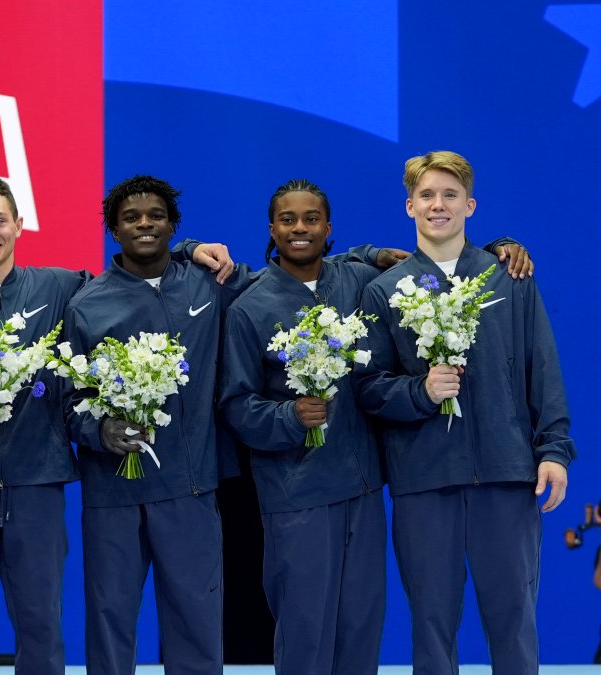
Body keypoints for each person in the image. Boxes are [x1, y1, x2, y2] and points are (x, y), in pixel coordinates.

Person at [0, 175, 231, 675]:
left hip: (38, 487)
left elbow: (137, 264)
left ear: (19, 225)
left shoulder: (62, 289)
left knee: (42, 629)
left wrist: (186, 248)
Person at [355, 150, 574, 674]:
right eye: (426, 196)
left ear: (470, 205)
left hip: (506, 474)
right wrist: (419, 393)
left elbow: (541, 366)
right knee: (431, 625)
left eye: (449, 195)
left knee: (514, 619)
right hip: (424, 480)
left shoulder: (508, 276)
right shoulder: (385, 290)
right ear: (408, 207)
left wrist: (554, 451)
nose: (438, 205)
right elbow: (366, 388)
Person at [63, 175, 256, 675]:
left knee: (196, 618)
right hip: (113, 493)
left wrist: (368, 255)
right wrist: (100, 431)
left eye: (156, 215)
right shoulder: (86, 304)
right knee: (110, 621)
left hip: (190, 486)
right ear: (113, 229)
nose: (144, 223)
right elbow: (67, 401)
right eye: (131, 217)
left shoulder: (210, 283)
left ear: (173, 224)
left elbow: (289, 277)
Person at [219, 179, 386, 674]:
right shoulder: (250, 306)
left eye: (311, 218)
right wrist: (288, 417)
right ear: (272, 229)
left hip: (361, 485)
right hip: (297, 492)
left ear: (328, 228)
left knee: (362, 624)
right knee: (305, 629)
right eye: (287, 219)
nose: (299, 228)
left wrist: (501, 246)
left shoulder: (355, 281)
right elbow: (235, 403)